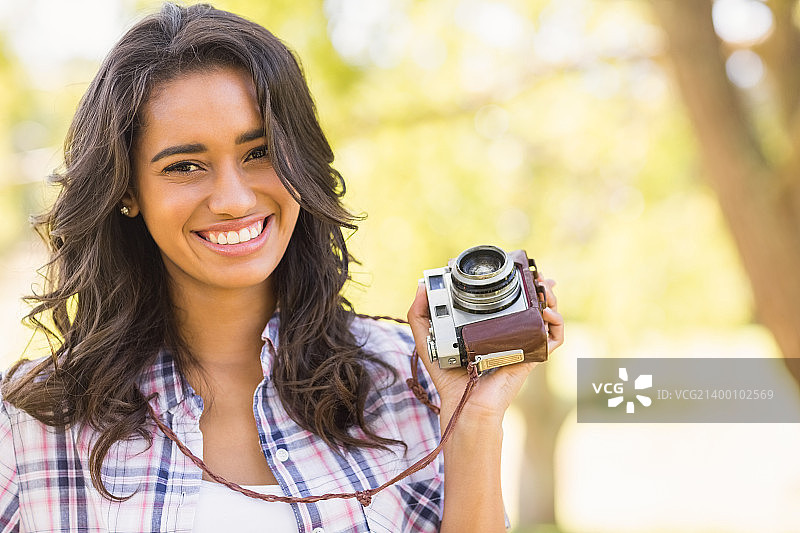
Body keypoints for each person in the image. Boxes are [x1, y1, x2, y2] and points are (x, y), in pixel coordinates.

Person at [0, 3, 563, 533]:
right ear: (127, 190)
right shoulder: (29, 423)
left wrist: (473, 420)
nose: (234, 199)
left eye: (259, 152)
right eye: (186, 165)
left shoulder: (407, 381)